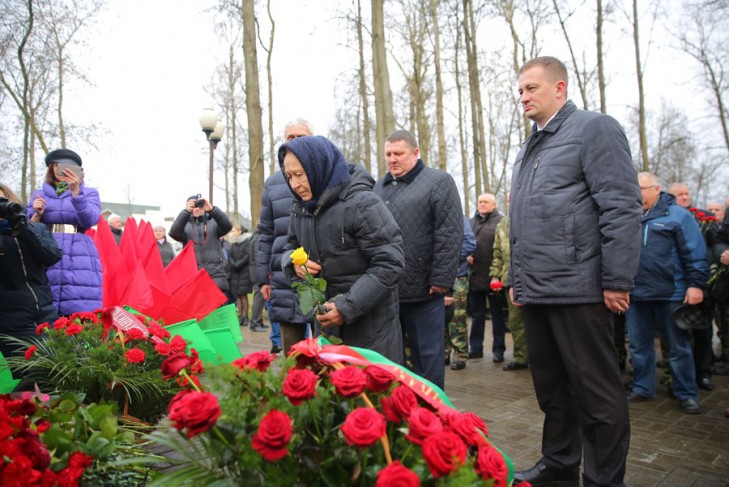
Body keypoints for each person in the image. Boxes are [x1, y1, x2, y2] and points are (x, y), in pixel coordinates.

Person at [508, 57, 642, 487]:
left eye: (531, 88)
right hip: (539, 291)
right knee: (553, 392)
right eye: (520, 91)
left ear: (560, 88)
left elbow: (621, 206)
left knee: (597, 396)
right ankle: (560, 464)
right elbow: (527, 219)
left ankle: (604, 479)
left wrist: (618, 279)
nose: (524, 97)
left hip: (580, 289)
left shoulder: (593, 129)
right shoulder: (531, 146)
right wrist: (518, 278)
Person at [280, 135, 405, 362]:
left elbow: (390, 263)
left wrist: (346, 307)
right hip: (326, 329)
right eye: (288, 176)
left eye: (300, 174)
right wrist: (292, 262)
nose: (294, 184)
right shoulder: (300, 208)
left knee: (368, 396)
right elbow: (289, 246)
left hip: (370, 333)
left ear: (319, 167)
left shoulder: (362, 203)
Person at [374, 129, 463, 390]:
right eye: (388, 154)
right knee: (393, 362)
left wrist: (441, 279)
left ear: (415, 152)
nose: (392, 159)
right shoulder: (378, 188)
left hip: (424, 291)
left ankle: (433, 417)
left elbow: (449, 232)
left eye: (398, 153)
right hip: (387, 292)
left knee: (428, 362)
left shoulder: (438, 182)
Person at [626, 173, 708, 415]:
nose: (636, 192)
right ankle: (642, 387)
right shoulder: (629, 215)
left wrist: (696, 284)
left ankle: (686, 393)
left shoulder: (678, 215)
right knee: (639, 346)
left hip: (671, 293)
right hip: (636, 294)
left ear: (657, 189)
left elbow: (694, 251)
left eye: (641, 188)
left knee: (678, 347)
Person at [257, 119, 313, 353]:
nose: (296, 141)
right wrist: (263, 278)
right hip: (284, 279)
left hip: (318, 277)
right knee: (294, 354)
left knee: (327, 351)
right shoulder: (272, 184)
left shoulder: (326, 175)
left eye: (301, 136)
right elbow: (266, 233)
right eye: (290, 138)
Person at [28, 148, 103, 315]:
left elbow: (90, 220)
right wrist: (36, 214)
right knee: (45, 300)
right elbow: (28, 226)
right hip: (46, 246)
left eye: (71, 167)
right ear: (52, 168)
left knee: (79, 299)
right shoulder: (39, 194)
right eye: (60, 166)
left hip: (79, 251)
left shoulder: (89, 193)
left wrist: (77, 195)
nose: (65, 171)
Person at [0, 183, 62, 361]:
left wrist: (22, 228)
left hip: (46, 317)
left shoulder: (36, 229)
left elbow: (51, 256)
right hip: (11, 323)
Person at [667, 182, 715, 391]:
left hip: (701, 281)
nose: (685, 197)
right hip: (677, 285)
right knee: (678, 335)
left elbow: (715, 244)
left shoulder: (705, 218)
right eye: (680, 194)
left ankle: (703, 373)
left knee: (702, 331)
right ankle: (675, 378)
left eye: (687, 193)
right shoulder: (665, 217)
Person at [490, 192, 528, 371]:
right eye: (509, 199)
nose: (512, 201)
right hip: (509, 280)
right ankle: (521, 357)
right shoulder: (503, 224)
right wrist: (495, 275)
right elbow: (497, 252)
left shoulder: (533, 217)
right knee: (515, 321)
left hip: (535, 278)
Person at [467, 192, 506, 362]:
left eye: (485, 202)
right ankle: (476, 348)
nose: (482, 204)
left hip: (493, 278)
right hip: (474, 277)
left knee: (497, 316)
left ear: (494, 205)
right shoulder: (471, 222)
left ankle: (499, 350)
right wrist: (466, 255)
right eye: (480, 201)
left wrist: (497, 275)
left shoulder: (500, 222)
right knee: (477, 316)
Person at [169, 194, 232, 296]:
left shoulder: (213, 222)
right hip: (193, 275)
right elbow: (174, 233)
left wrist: (212, 210)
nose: (197, 208)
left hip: (215, 275)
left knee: (217, 310)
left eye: (199, 205)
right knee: (197, 310)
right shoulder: (184, 225)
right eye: (194, 206)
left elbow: (227, 226)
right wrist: (186, 212)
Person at [444, 215, 476, 370]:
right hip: (437, 277)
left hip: (457, 276)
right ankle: (444, 351)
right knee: (440, 316)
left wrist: (447, 258)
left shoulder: (459, 219)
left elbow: (470, 243)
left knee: (457, 317)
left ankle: (460, 353)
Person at [227, 224, 253, 327]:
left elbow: (247, 256)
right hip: (235, 273)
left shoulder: (247, 242)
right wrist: (233, 264)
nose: (233, 232)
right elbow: (230, 256)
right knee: (238, 296)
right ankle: (240, 316)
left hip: (244, 273)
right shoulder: (233, 243)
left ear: (240, 231)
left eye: (235, 231)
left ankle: (246, 317)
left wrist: (238, 264)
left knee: (244, 296)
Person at [247, 223, 268, 334]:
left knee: (259, 298)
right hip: (257, 272)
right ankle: (254, 323)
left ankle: (258, 321)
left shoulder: (255, 237)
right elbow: (259, 257)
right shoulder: (258, 239)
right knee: (258, 298)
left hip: (255, 271)